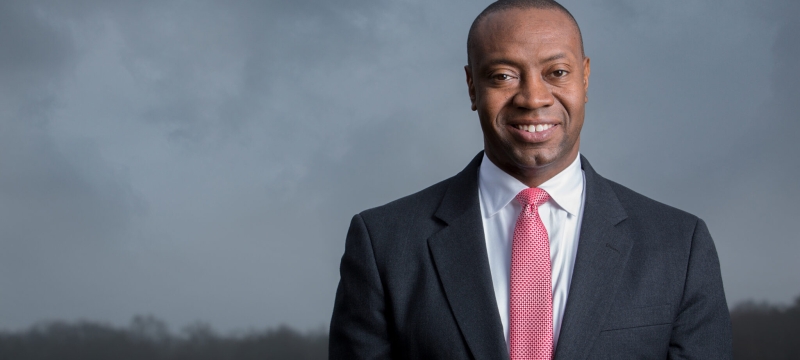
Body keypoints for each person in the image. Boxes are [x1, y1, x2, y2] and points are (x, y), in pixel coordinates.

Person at [329, 0, 733, 359]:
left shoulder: (680, 246)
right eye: (503, 76)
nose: (533, 97)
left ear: (585, 78)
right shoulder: (384, 243)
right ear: (472, 87)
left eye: (557, 72)